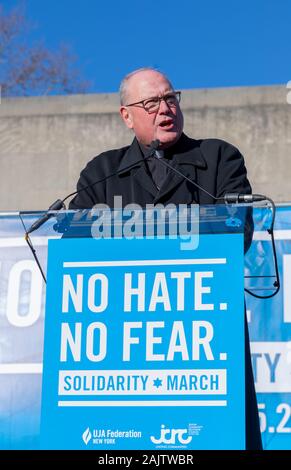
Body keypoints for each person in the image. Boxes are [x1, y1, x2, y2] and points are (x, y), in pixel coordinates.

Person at [69, 68, 262, 450]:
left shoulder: (219, 157)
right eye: (151, 102)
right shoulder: (101, 173)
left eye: (171, 97)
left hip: (203, 345)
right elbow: (78, 244)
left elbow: (235, 231)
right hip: (126, 350)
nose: (165, 108)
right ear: (127, 115)